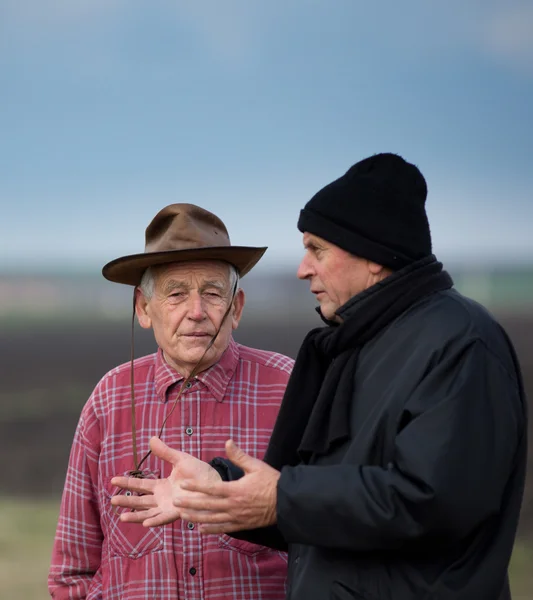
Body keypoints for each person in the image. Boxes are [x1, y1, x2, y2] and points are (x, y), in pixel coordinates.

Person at [110, 154, 528, 600]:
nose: (302, 268)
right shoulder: (359, 344)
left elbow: (432, 503)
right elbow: (328, 508)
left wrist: (282, 498)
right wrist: (223, 488)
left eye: (317, 249)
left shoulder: (460, 344)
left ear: (372, 252)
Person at [48, 203, 294, 600]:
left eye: (213, 294)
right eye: (176, 294)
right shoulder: (108, 399)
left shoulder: (290, 388)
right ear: (144, 309)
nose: (196, 312)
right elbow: (72, 572)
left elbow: (329, 532)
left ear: (236, 309)